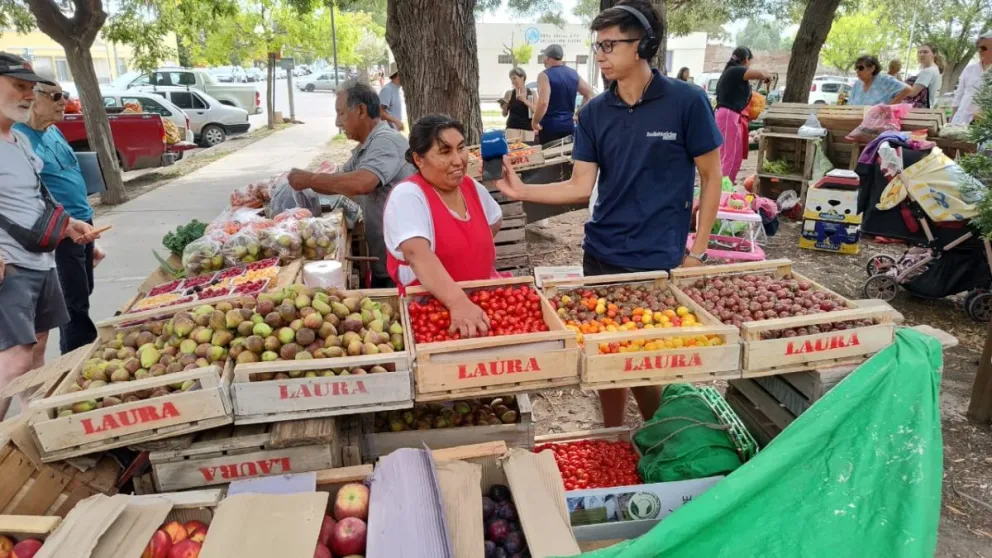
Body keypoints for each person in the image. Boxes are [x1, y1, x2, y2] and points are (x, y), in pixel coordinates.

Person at [494, 1, 723, 428]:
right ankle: (613, 431)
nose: (600, 54)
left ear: (642, 46)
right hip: (601, 250)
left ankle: (657, 435)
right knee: (604, 354)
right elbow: (581, 186)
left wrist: (698, 253)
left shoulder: (686, 102)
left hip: (657, 254)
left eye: (610, 44)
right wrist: (522, 190)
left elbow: (712, 178)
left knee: (644, 359)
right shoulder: (595, 112)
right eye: (597, 45)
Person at [0, 52, 101, 418]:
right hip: (9, 266)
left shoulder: (19, 141)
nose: (27, 95)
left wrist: (69, 225)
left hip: (41, 261)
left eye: (30, 87)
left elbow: (39, 195)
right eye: (18, 86)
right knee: (14, 362)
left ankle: (35, 429)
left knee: (37, 350)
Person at [382, 114, 503, 337]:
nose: (458, 160)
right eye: (445, 152)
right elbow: (417, 255)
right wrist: (458, 301)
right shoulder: (408, 195)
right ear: (419, 159)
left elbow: (494, 221)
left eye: (461, 148)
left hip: (480, 306)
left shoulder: (471, 187)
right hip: (430, 314)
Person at [287, 81, 415, 288]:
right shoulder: (368, 145)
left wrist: (310, 179)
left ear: (362, 110)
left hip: (403, 263)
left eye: (341, 113)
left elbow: (362, 183)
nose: (338, 122)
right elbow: (342, 180)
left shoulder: (386, 141)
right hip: (388, 257)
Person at [14, 80, 106, 355]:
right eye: (55, 96)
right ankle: (80, 364)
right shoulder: (19, 139)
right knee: (72, 305)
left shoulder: (53, 132)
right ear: (33, 97)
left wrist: (89, 228)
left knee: (82, 293)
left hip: (82, 224)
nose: (62, 102)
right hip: (58, 232)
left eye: (64, 95)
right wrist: (65, 227)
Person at [714, 47, 771, 183]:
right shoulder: (735, 70)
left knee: (736, 155)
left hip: (732, 115)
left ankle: (728, 184)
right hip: (728, 115)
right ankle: (723, 190)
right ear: (746, 59)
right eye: (750, 62)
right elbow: (762, 74)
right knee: (729, 155)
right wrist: (767, 76)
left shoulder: (732, 72)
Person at [531, 44, 596, 144]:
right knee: (566, 157)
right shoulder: (573, 74)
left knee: (549, 157)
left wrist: (535, 121)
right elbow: (590, 94)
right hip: (568, 126)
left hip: (550, 127)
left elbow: (543, 102)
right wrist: (578, 113)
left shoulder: (544, 75)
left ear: (547, 58)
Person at [950, 33, 992, 125]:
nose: (980, 51)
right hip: (961, 118)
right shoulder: (970, 69)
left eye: (985, 48)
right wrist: (952, 118)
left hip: (985, 124)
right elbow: (959, 94)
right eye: (979, 48)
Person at [501, 67, 537, 141]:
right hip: (512, 128)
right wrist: (505, 105)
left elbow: (536, 110)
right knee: (513, 151)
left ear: (522, 77)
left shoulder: (532, 93)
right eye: (511, 79)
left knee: (528, 151)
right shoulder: (509, 93)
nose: (512, 81)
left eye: (514, 78)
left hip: (527, 129)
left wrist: (525, 101)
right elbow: (504, 114)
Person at [905, 43, 943, 108]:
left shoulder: (928, 71)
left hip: (920, 110)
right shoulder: (935, 68)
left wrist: (895, 87)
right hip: (928, 108)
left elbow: (912, 93)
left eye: (925, 52)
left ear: (934, 54)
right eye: (919, 52)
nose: (921, 54)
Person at [379, 63, 404, 132]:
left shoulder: (395, 89)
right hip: (388, 132)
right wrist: (396, 121)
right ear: (398, 74)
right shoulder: (387, 89)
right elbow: (380, 111)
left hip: (394, 132)